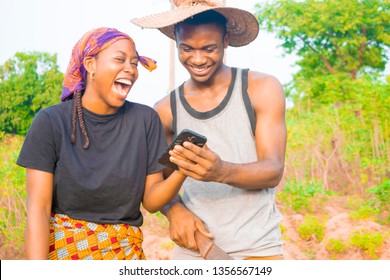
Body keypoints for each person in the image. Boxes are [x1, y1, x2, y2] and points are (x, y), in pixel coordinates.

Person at [131, 0, 287, 260]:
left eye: (209, 48)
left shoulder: (261, 88)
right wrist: (175, 211)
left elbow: (273, 170)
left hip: (258, 250)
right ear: (176, 42)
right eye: (187, 49)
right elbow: (159, 186)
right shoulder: (166, 109)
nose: (198, 59)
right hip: (195, 251)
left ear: (226, 41)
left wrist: (221, 171)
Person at [16, 27, 187, 260]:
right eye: (120, 59)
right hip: (66, 252)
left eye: (135, 63)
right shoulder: (51, 122)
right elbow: (39, 210)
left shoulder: (145, 120)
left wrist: (181, 170)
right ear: (90, 64)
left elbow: (151, 200)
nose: (131, 69)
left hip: (124, 254)